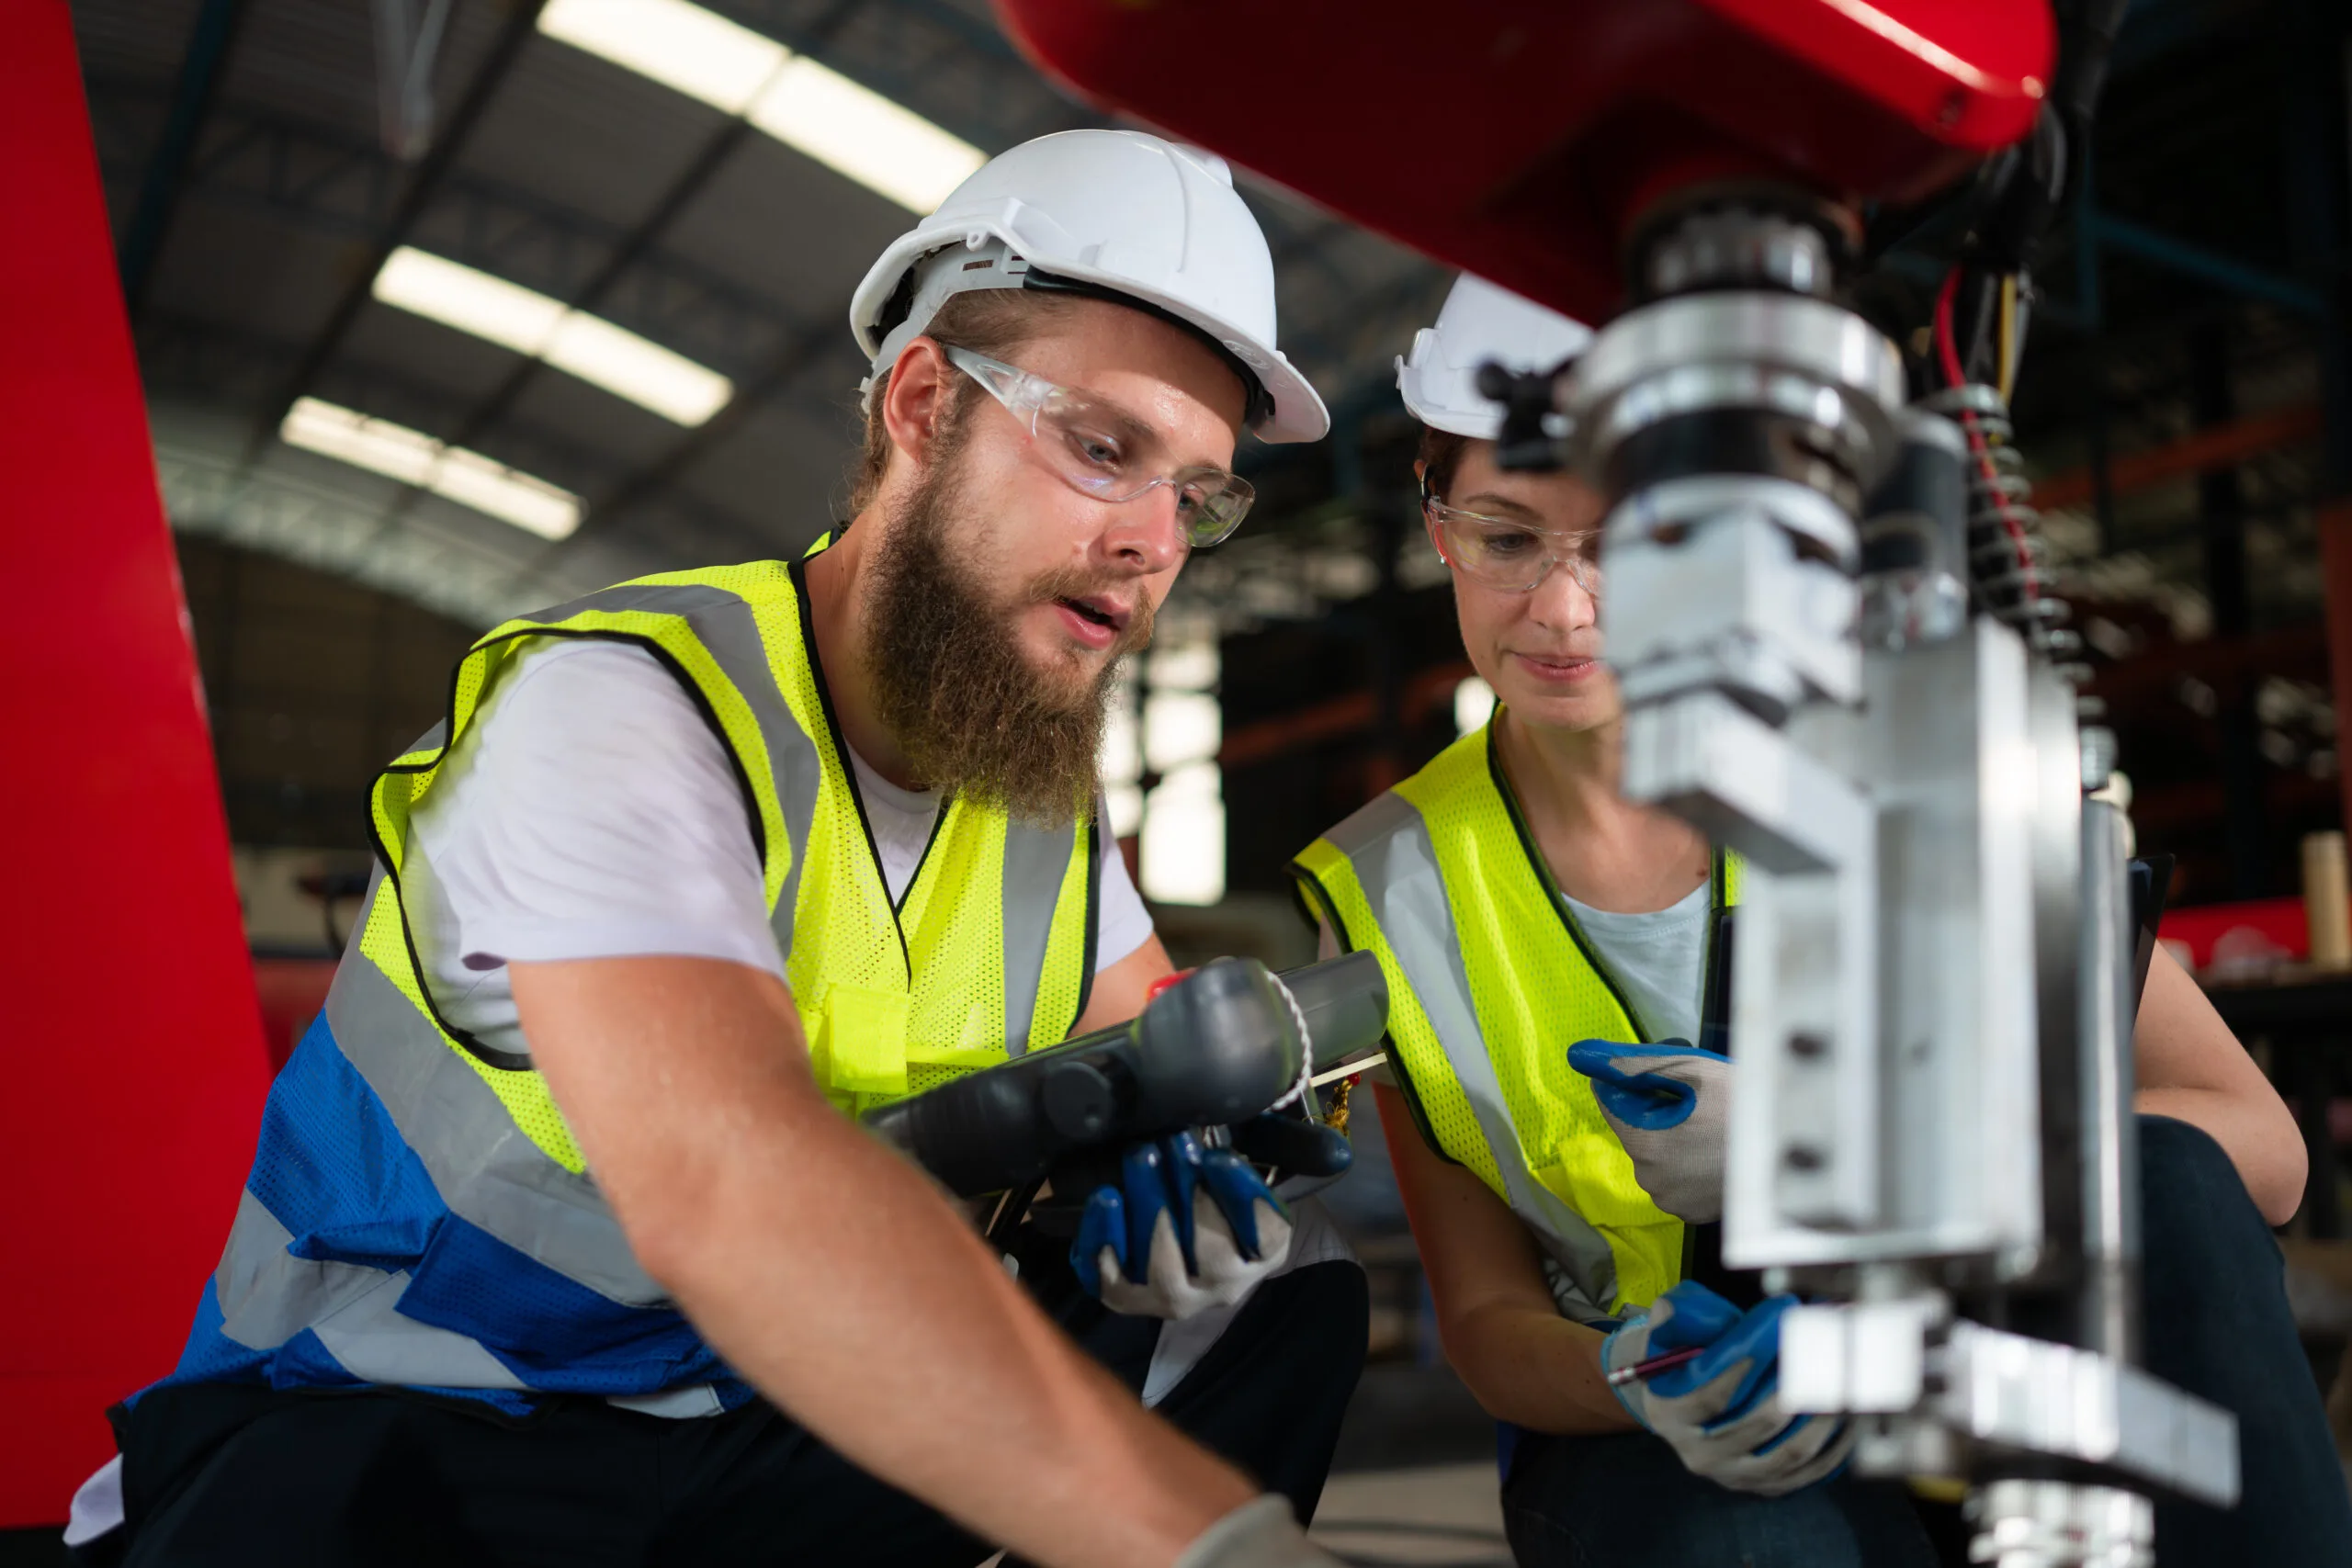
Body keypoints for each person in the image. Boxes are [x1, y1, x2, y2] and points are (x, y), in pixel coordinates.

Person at [75, 130, 1366, 1568]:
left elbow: (1155, 1039)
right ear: (927, 405)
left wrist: (1188, 1167)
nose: (1150, 542)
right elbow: (730, 1193)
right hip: (416, 1425)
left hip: (749, 1416)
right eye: (1103, 448)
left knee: (1274, 1295)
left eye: (1195, 495)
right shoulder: (622, 703)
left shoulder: (1034, 804)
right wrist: (1204, 1540)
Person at [1289, 274, 2352, 1566]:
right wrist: (1633, 1375)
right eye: (1507, 537)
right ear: (1434, 517)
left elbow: (2247, 1156)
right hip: (1686, 1447)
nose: (1564, 610)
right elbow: (1489, 1315)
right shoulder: (1387, 887)